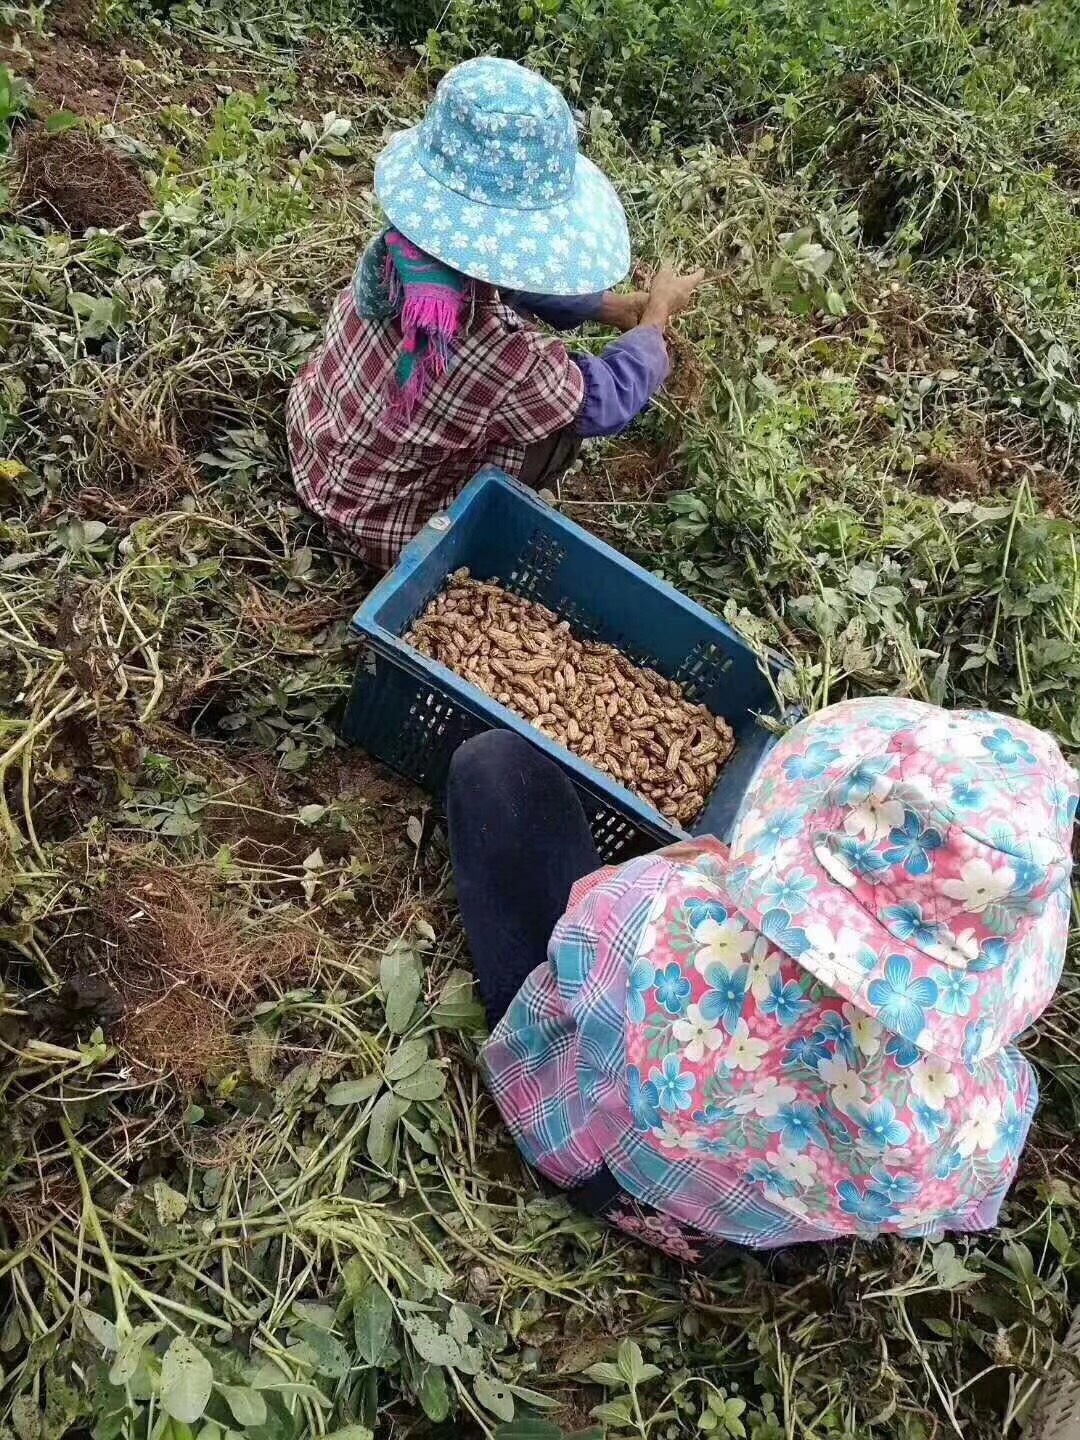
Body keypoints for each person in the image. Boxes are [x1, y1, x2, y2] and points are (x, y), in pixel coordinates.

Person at [446, 698, 1077, 1267]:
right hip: (712, 1234)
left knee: (493, 772)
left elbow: (581, 924)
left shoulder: (649, 918)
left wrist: (694, 869)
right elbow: (966, 1196)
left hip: (574, 1140)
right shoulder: (977, 1123)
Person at [286, 57, 704, 569]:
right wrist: (655, 317)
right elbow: (605, 401)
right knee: (554, 430)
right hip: (379, 525)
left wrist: (613, 308)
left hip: (318, 446)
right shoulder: (512, 359)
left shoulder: (398, 253)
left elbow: (500, 282)